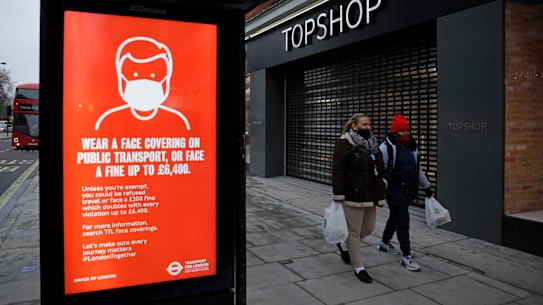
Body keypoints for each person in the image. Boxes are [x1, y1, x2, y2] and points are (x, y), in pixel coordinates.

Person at [331, 114, 387, 283]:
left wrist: (383, 183)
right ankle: (359, 267)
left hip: (371, 193)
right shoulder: (344, 145)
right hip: (352, 193)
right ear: (354, 126)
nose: (368, 126)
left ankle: (343, 244)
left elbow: (380, 166)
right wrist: (338, 194)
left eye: (370, 123)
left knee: (368, 229)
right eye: (364, 124)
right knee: (354, 232)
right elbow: (338, 170)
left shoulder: (373, 145)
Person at [376, 114, 432, 271]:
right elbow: (379, 171)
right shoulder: (386, 148)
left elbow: (417, 169)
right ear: (395, 133)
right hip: (394, 189)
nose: (406, 134)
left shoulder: (412, 147)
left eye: (407, 130)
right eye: (402, 131)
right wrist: (380, 191)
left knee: (395, 217)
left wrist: (426, 186)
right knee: (403, 220)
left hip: (409, 190)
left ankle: (384, 243)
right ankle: (406, 256)